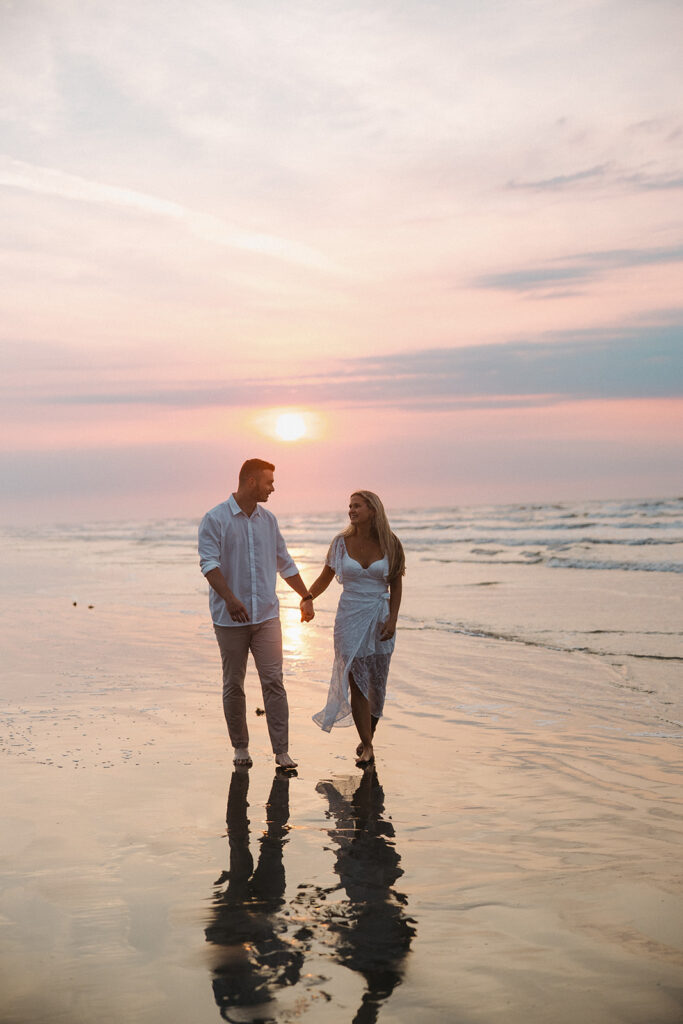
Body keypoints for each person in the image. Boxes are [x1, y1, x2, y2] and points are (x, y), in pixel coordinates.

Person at [198, 459, 315, 770]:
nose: (273, 488)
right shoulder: (215, 519)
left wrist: (305, 596)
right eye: (268, 482)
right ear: (251, 481)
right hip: (229, 618)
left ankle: (281, 752)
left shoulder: (269, 520)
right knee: (233, 683)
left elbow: (285, 562)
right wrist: (230, 599)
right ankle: (240, 746)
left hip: (266, 616)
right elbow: (209, 565)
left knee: (274, 681)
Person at [308, 491, 404, 767]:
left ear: (373, 510)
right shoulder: (340, 543)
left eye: (357, 505)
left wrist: (393, 619)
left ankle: (366, 737)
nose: (351, 510)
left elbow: (396, 583)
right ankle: (369, 746)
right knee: (355, 678)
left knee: (376, 683)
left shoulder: (391, 543)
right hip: (349, 616)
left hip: (379, 616)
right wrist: (307, 597)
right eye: (349, 506)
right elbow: (325, 577)